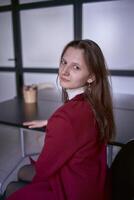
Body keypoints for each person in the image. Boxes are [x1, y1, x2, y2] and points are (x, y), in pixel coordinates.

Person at [5, 39, 115, 200]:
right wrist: (53, 123)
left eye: (76, 67)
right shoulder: (95, 104)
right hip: (93, 183)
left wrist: (57, 126)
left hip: (72, 191)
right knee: (23, 172)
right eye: (64, 62)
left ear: (91, 77)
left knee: (12, 188)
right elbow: (79, 125)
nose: (64, 71)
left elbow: (43, 169)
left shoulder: (65, 118)